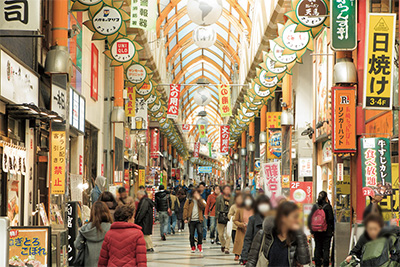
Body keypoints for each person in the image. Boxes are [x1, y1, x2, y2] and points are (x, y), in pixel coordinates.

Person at [247, 201, 310, 267]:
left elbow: (304, 261)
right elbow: (252, 261)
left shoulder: (296, 237)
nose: (297, 220)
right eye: (294, 217)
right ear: (283, 218)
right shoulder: (264, 234)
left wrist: (299, 232)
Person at [74, 201, 112, 266]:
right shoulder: (111, 228)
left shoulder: (85, 228)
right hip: (106, 263)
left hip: (89, 263)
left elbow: (77, 245)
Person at [241, 194, 272, 264]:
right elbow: (248, 238)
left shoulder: (273, 219)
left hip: (270, 255)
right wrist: (244, 255)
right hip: (256, 254)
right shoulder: (253, 219)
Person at [308, 191, 334, 267]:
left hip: (316, 231)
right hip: (326, 232)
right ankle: (325, 265)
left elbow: (310, 219)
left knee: (318, 247)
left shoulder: (314, 206)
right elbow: (331, 219)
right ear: (326, 198)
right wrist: (332, 230)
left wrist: (312, 231)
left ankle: (317, 264)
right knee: (326, 249)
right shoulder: (328, 206)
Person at [183, 188, 206, 253]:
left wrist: (199, 199)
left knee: (200, 233)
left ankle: (199, 245)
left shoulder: (201, 200)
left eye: (197, 193)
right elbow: (185, 209)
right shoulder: (189, 200)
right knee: (192, 234)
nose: (196, 194)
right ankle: (192, 246)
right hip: (191, 220)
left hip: (199, 220)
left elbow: (204, 206)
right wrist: (185, 218)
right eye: (195, 193)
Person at [233, 194, 254, 261]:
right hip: (242, 230)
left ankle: (247, 255)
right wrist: (241, 224)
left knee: (250, 243)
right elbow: (235, 220)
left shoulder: (255, 210)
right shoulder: (240, 209)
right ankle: (237, 254)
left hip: (251, 230)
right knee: (240, 243)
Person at [216, 185, 234, 254]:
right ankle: (223, 244)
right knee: (220, 234)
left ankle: (227, 248)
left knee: (228, 234)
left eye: (228, 189)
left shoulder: (233, 198)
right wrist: (217, 216)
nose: (227, 191)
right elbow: (217, 208)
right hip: (221, 217)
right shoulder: (219, 198)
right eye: (226, 189)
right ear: (223, 190)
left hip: (229, 217)